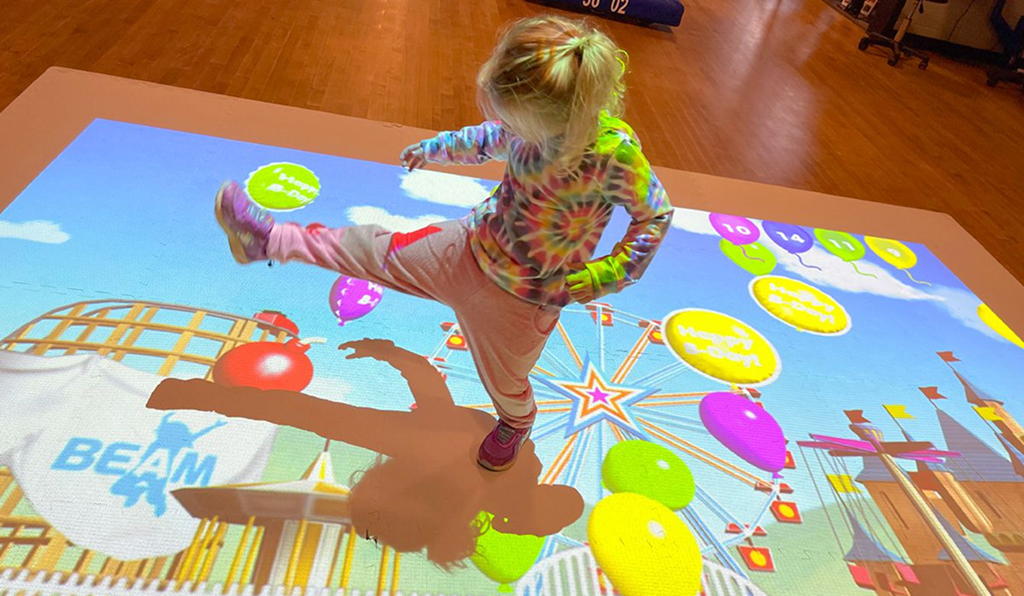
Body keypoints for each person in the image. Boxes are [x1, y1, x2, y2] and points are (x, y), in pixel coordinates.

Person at [213, 14, 674, 472]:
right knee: (368, 248)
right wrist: (437, 148)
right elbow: (490, 137)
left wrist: (605, 275)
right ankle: (268, 240)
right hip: (466, 247)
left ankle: (516, 423)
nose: (506, 127)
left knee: (505, 381)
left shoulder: (614, 156)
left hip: (523, 300)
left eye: (514, 120)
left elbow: (654, 215)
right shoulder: (527, 121)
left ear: (558, 114)